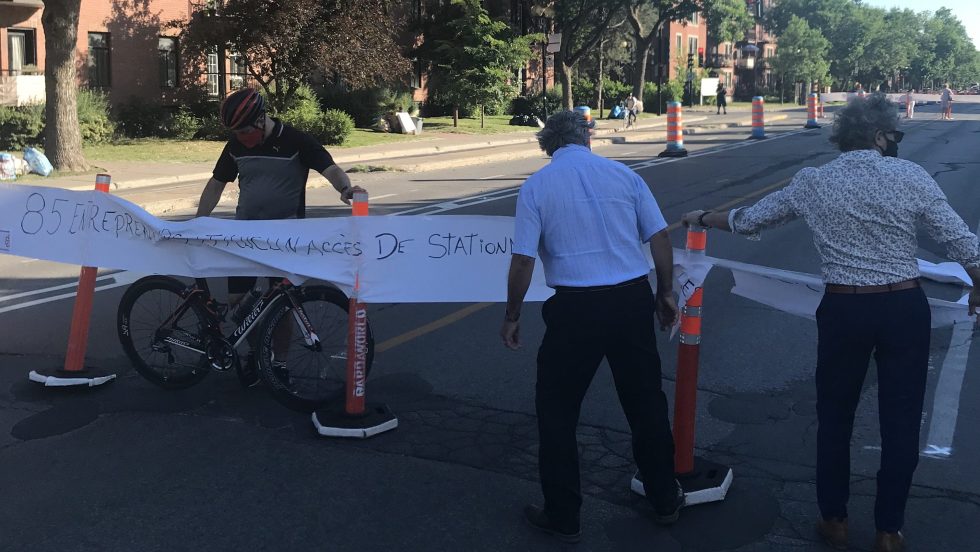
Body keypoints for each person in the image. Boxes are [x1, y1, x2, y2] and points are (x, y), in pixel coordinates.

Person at [680, 94, 980, 552]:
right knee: (900, 421)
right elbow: (961, 241)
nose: (895, 142)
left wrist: (701, 217)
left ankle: (834, 519)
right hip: (903, 308)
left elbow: (748, 219)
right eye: (893, 135)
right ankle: (888, 530)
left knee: (835, 417)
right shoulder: (911, 176)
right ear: (879, 136)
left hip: (844, 310)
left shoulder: (814, 181)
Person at [501, 110, 683, 543]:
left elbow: (524, 259)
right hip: (629, 300)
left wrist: (512, 315)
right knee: (645, 402)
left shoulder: (537, 186)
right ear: (588, 136)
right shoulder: (624, 176)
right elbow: (658, 237)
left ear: (548, 145)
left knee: (558, 411)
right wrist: (665, 292)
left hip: (575, 309)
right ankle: (664, 497)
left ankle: (563, 513)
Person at [195, 87, 363, 386]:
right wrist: (199, 220)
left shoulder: (296, 141)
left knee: (284, 305)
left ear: (261, 119)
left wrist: (346, 189)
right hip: (245, 234)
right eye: (235, 132)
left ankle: (280, 363)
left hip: (286, 237)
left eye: (245, 130)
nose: (241, 137)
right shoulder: (235, 144)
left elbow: (331, 168)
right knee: (237, 302)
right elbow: (217, 183)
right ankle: (255, 352)